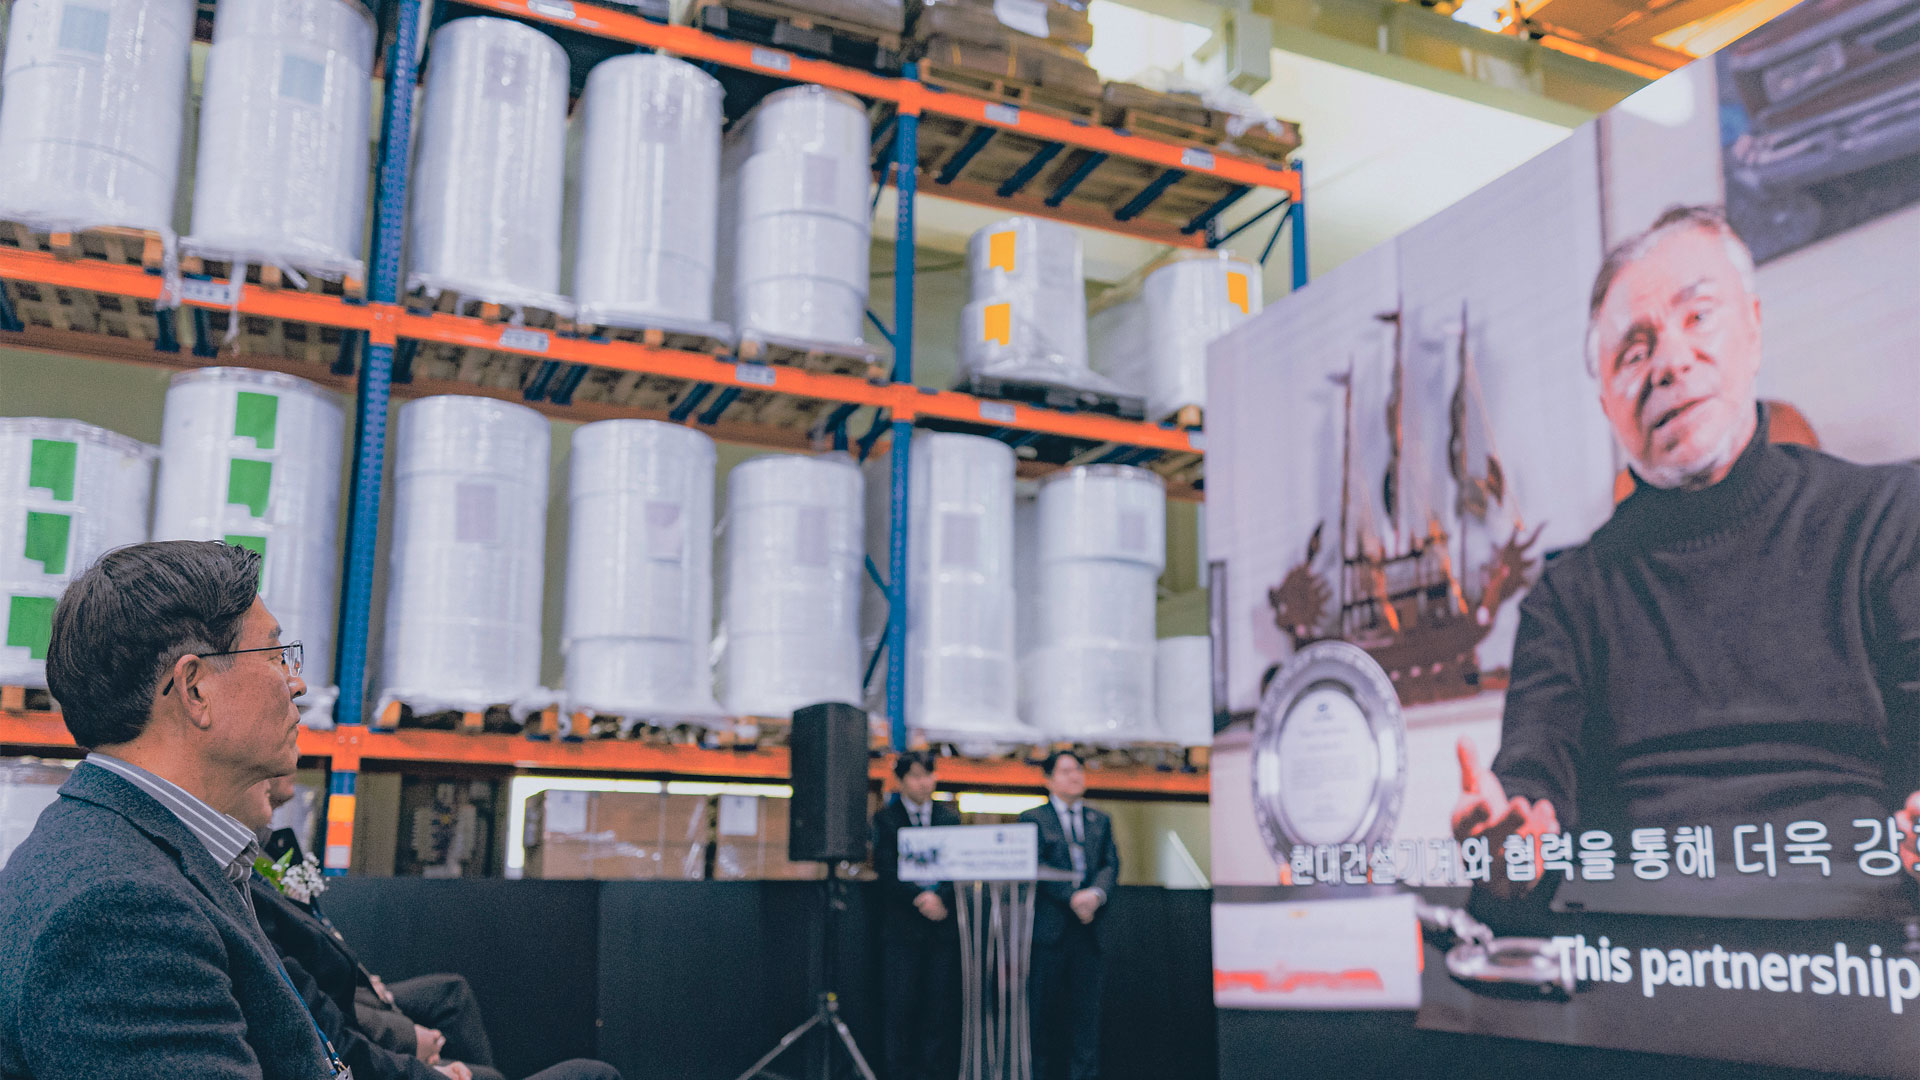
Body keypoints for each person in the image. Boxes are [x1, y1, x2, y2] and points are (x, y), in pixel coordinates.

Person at [1451, 205, 1920, 915]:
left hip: (1859, 942)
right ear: (1606, 403)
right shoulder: (1568, 596)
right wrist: (1512, 849)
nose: (1670, 363)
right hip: (1641, 951)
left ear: (1754, 328)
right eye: (1633, 352)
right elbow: (1532, 784)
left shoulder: (1886, 518)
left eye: (1698, 317)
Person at [0, 541, 336, 1080]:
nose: (296, 683)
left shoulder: (128, 852)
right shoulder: (122, 910)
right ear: (194, 688)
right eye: (276, 656)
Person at [234, 780, 619, 1080]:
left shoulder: (260, 864)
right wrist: (411, 1042)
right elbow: (329, 1028)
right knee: (591, 1073)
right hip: (348, 1047)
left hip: (348, 1031)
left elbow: (321, 991)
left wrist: (370, 987)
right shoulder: (246, 892)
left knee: (453, 998)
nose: (290, 757)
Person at [1021, 751, 1119, 1080]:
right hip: (1049, 934)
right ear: (1048, 780)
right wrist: (1072, 896)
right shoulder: (1033, 819)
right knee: (1042, 1017)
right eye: (1065, 771)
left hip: (1089, 932)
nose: (1075, 776)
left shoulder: (1099, 819)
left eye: (1078, 769)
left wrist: (1095, 895)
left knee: (1086, 1017)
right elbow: (1033, 866)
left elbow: (1110, 864)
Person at [870, 751, 961, 1080]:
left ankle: (934, 1072)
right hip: (902, 930)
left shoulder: (949, 818)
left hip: (942, 930)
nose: (925, 783)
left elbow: (960, 865)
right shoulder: (886, 819)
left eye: (929, 775)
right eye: (917, 776)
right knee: (901, 1006)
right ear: (901, 781)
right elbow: (885, 869)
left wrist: (941, 897)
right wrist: (920, 898)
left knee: (938, 1006)